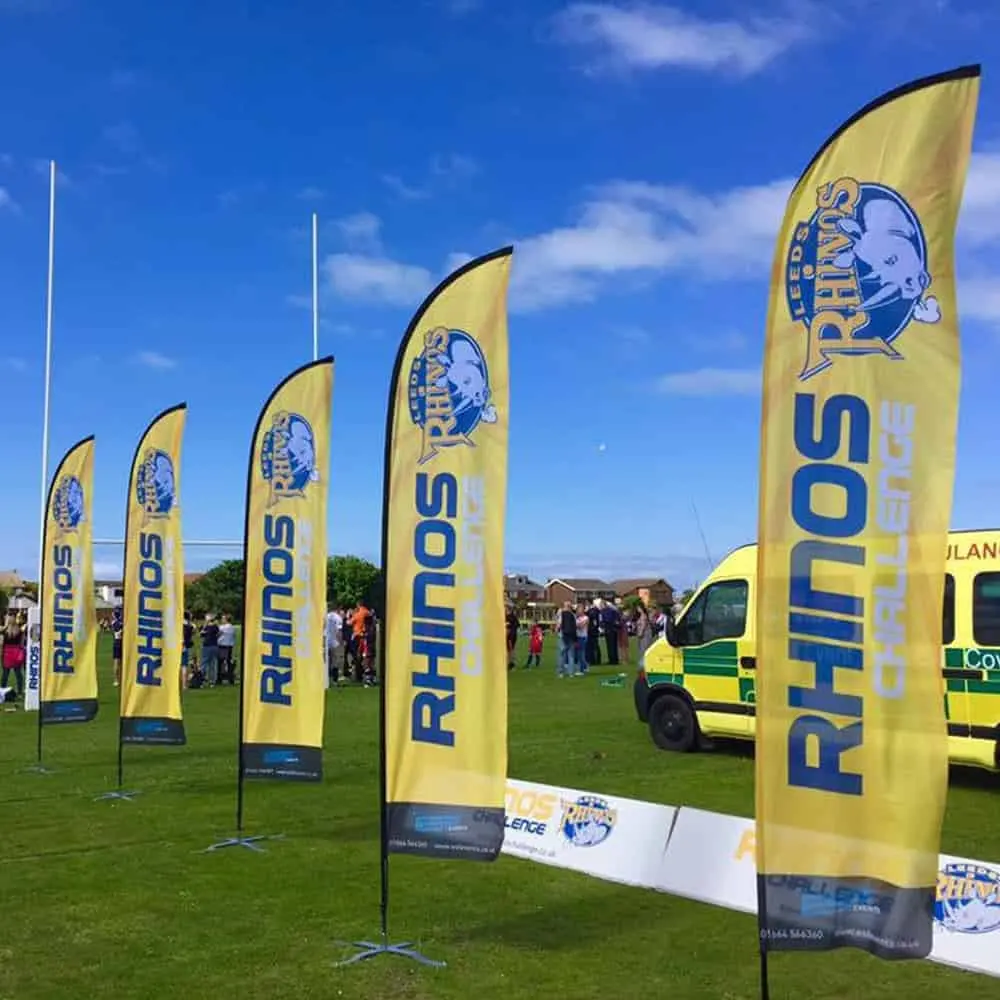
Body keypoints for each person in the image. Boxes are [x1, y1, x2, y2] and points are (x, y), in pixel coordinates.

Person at [1, 612, 25, 700]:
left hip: (6, 653)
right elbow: (22, 644)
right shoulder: (20, 631)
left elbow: (1, 643)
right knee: (18, 674)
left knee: (5, 674)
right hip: (16, 653)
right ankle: (19, 692)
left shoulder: (4, 631)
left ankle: (2, 690)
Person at [325, 604, 344, 684]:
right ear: (338, 608)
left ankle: (326, 679)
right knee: (335, 661)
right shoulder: (338, 618)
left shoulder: (326, 616)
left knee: (326, 660)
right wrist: (341, 641)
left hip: (326, 640)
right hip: (334, 641)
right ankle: (335, 680)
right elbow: (339, 631)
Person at [557, 602, 577, 678]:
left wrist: (558, 630)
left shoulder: (561, 614)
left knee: (562, 655)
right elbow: (575, 627)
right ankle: (571, 673)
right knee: (571, 655)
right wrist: (575, 639)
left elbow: (559, 625)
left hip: (563, 636)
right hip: (571, 636)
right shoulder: (573, 615)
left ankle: (561, 672)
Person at [200, 613, 220, 686]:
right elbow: (218, 634)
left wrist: (205, 629)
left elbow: (201, 634)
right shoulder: (215, 626)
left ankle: (201, 679)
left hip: (207, 646)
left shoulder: (206, 627)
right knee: (212, 664)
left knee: (204, 663)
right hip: (214, 645)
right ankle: (212, 681)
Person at [217, 614, 236, 684]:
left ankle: (219, 679)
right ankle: (231, 679)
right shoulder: (232, 627)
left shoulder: (222, 627)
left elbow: (218, 634)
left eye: (223, 619)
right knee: (229, 663)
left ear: (226, 620)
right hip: (229, 646)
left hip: (222, 646)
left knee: (220, 663)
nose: (221, 620)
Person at [181, 611, 195, 688]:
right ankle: (184, 685)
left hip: (177, 646)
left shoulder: (179, 624)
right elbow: (194, 632)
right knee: (184, 666)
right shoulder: (190, 625)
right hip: (185, 647)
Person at [111, 605, 123, 686]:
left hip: (117, 642)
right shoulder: (121, 622)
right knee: (120, 662)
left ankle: (116, 680)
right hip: (121, 642)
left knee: (116, 661)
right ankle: (119, 679)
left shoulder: (114, 622)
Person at [505, 604, 520, 670]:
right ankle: (509, 663)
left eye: (506, 609)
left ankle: (511, 663)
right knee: (508, 650)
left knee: (511, 650)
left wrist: (509, 625)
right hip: (507, 636)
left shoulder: (512, 617)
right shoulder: (504, 616)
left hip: (511, 636)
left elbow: (517, 625)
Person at [575, 604, 589, 675]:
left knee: (581, 653)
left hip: (583, 637)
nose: (579, 611)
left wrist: (576, 625)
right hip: (577, 636)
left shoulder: (586, 618)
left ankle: (581, 670)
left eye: (581, 609)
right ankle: (585, 666)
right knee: (578, 653)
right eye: (578, 609)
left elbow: (581, 626)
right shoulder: (576, 618)